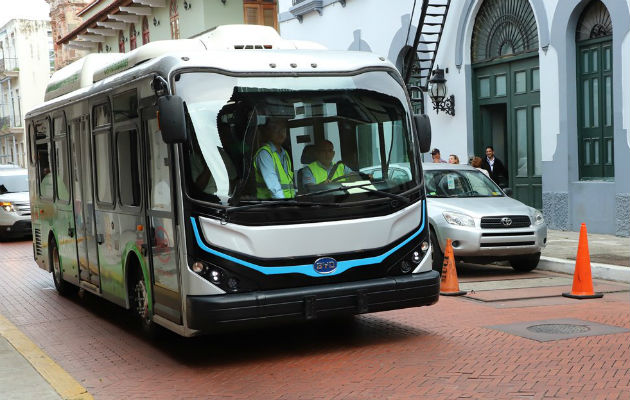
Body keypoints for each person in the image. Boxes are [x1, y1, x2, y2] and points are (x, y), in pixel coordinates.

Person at [253, 118, 295, 199]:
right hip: (270, 206)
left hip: (287, 204)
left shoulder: (285, 153)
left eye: (283, 129)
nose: (281, 132)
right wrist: (286, 205)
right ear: (268, 132)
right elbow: (274, 187)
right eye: (276, 129)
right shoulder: (265, 154)